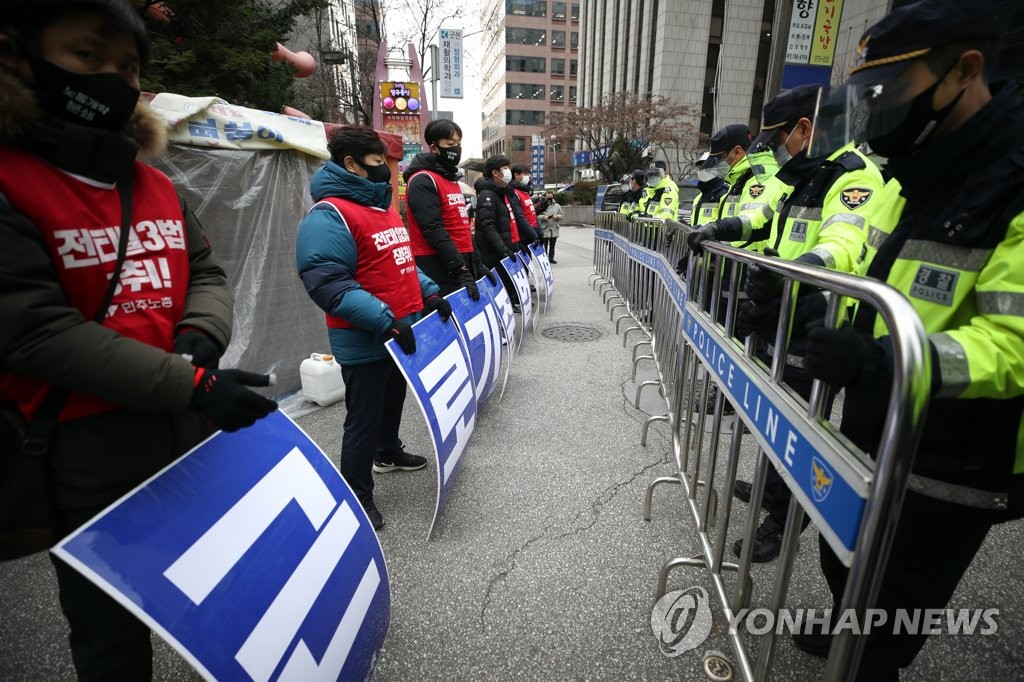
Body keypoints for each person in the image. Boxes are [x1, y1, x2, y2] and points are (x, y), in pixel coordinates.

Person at [0, 0, 278, 677]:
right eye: (86, 57)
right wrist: (194, 382)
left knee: (206, 589)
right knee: (110, 633)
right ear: (18, 58)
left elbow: (204, 269)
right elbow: (36, 332)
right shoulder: (12, 183)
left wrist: (200, 334)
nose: (112, 79)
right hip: (81, 451)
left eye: (127, 66)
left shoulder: (152, 182)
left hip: (181, 430)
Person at [795, 1, 1024, 678]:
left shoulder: (1013, 181)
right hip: (877, 423)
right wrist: (810, 294)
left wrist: (887, 359)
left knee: (891, 615)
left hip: (959, 453)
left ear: (966, 70)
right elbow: (865, 260)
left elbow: (1012, 345)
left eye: (889, 93)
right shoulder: (915, 171)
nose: (875, 112)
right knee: (845, 556)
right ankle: (846, 622)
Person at [720, 84, 886, 563]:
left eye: (778, 138)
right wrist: (721, 231)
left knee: (804, 426)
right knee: (778, 414)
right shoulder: (804, 176)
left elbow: (843, 244)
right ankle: (774, 490)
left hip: (819, 324)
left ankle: (783, 519)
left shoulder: (854, 176)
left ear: (804, 129)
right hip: (785, 315)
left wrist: (788, 275)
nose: (774, 149)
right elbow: (760, 217)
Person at [296, 125, 452, 531]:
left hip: (398, 334)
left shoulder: (382, 209)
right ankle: (357, 493)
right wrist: (385, 320)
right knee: (362, 419)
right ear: (351, 164)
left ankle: (389, 453)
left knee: (392, 401)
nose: (387, 171)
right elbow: (329, 284)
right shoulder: (330, 215)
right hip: (368, 339)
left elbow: (400, 262)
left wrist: (431, 293)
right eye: (379, 162)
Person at [403, 119, 487, 299]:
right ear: (434, 148)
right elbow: (433, 229)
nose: (456, 148)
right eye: (450, 144)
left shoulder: (452, 180)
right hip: (438, 265)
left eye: (458, 143)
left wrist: (477, 263)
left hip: (461, 260)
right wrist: (460, 269)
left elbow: (462, 227)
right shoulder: (422, 180)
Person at [473, 155, 522, 305]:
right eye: (506, 168)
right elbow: (488, 226)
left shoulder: (500, 192)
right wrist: (504, 249)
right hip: (492, 253)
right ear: (495, 173)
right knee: (497, 290)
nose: (509, 171)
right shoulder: (487, 195)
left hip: (501, 249)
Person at [510, 163, 543, 249]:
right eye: (525, 174)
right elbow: (519, 217)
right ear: (516, 175)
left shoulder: (525, 191)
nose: (528, 176)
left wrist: (539, 232)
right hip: (523, 235)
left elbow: (532, 213)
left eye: (528, 174)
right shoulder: (514, 192)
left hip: (531, 231)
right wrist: (532, 234)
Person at [538, 192, 563, 263]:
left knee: (552, 245)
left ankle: (551, 257)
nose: (549, 198)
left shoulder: (557, 206)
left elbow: (561, 215)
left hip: (554, 228)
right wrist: (543, 217)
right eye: (548, 197)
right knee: (544, 245)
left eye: (551, 197)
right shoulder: (541, 205)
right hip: (545, 228)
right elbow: (537, 215)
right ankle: (544, 258)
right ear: (545, 197)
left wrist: (557, 216)